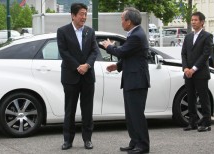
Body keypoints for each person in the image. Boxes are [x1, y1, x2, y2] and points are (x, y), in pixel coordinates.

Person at [101, 7, 150, 154]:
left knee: (136, 114)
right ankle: (134, 142)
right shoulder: (133, 34)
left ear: (129, 21)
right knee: (131, 115)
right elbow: (129, 56)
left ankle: (143, 145)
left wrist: (109, 46)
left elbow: (122, 51)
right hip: (131, 79)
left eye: (122, 19)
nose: (121, 22)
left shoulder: (136, 35)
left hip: (137, 81)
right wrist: (117, 65)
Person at [56, 3, 99, 150]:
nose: (84, 17)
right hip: (70, 76)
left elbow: (95, 51)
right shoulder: (62, 31)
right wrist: (77, 66)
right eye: (81, 14)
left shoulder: (90, 31)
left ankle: (87, 139)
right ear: (73, 15)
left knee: (87, 110)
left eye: (86, 14)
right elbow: (64, 52)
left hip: (88, 76)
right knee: (70, 110)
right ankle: (68, 140)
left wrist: (87, 65)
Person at [181, 11, 213, 132]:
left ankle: (206, 123)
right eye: (192, 20)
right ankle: (192, 122)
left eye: (195, 20)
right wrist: (185, 69)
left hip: (200, 73)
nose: (193, 22)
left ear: (202, 22)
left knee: (204, 99)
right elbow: (183, 53)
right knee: (190, 98)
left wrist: (193, 69)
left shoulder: (207, 36)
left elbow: (205, 55)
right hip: (188, 73)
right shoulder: (188, 37)